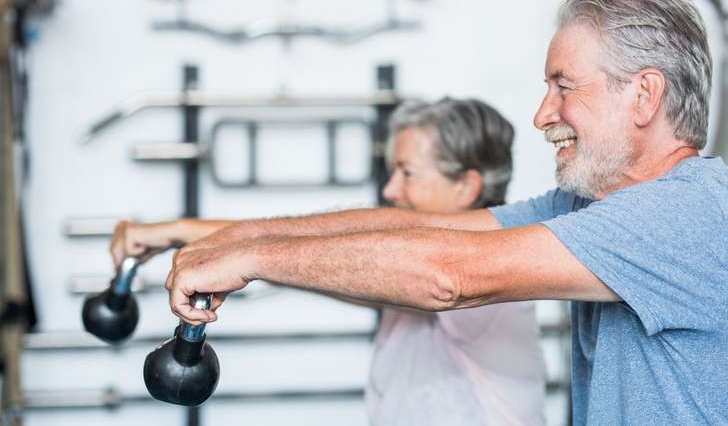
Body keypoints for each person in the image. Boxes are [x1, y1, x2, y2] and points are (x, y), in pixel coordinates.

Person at [115, 0, 728, 423]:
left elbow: (448, 273)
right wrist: (218, 239)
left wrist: (251, 256)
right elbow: (413, 226)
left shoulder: (686, 218)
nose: (544, 113)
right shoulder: (591, 209)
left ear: (643, 96)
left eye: (563, 86)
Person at [112, 98, 546, 425]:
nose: (392, 190)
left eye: (407, 173)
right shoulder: (411, 277)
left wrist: (190, 236)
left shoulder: (484, 272)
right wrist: (194, 240)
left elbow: (336, 250)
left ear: (467, 187)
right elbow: (328, 258)